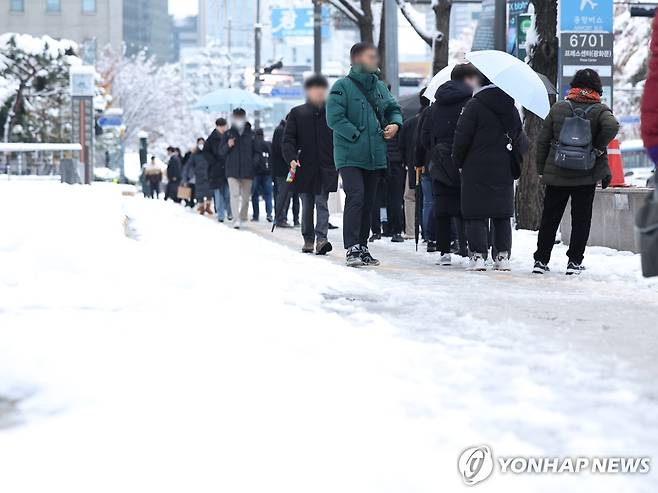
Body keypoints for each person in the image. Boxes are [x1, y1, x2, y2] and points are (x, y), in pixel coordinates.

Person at [533, 69, 619, 275]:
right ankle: (574, 262)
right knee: (581, 219)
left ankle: (541, 261)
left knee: (550, 218)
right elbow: (612, 126)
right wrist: (597, 147)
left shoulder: (559, 107)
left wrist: (540, 169)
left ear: (575, 85)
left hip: (557, 171)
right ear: (596, 88)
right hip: (585, 173)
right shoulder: (599, 110)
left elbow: (542, 140)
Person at [326, 42, 403, 267]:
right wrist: (356, 136)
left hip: (375, 155)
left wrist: (395, 124)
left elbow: (393, 109)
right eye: (371, 57)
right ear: (358, 59)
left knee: (369, 202)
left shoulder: (379, 86)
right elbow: (334, 118)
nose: (376, 60)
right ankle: (352, 248)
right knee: (356, 197)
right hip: (349, 155)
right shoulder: (342, 86)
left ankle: (363, 246)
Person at [452, 74, 528, 272]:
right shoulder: (511, 108)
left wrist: (458, 161)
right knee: (501, 213)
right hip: (503, 167)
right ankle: (502, 256)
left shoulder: (473, 106)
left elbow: (462, 138)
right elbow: (520, 138)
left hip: (475, 167)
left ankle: (478, 256)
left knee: (475, 212)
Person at [421, 63, 480, 265]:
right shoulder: (472, 104)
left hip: (440, 162)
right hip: (467, 161)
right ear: (466, 80)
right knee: (468, 207)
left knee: (442, 207)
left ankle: (444, 253)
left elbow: (424, 137)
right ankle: (470, 250)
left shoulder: (434, 106)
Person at [283, 74, 338, 255]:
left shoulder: (332, 112)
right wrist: (291, 157)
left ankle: (322, 239)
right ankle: (308, 238)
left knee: (322, 203)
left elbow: (339, 138)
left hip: (325, 166)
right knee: (307, 206)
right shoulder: (297, 113)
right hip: (304, 167)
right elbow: (288, 139)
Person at [220, 108, 258, 229]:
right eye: (236, 117)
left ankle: (242, 217)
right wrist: (228, 145)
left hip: (248, 171)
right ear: (233, 118)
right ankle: (236, 219)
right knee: (234, 195)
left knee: (246, 197)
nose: (239, 120)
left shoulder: (251, 134)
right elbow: (220, 152)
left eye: (241, 117)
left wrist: (254, 164)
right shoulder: (228, 134)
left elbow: (257, 152)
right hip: (232, 170)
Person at [399, 89, 429, 240]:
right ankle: (427, 231)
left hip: (412, 165)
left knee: (410, 197)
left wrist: (406, 162)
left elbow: (401, 145)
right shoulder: (433, 118)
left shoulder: (409, 123)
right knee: (428, 198)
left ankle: (410, 230)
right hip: (431, 165)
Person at [206, 118, 233, 223]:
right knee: (218, 194)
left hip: (227, 169)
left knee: (228, 193)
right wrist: (213, 162)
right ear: (218, 126)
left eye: (225, 126)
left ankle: (229, 212)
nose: (224, 128)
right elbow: (207, 153)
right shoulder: (211, 139)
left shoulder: (228, 137)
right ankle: (221, 215)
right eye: (223, 126)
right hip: (216, 170)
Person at [184, 137, 213, 215]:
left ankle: (208, 207)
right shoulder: (194, 154)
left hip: (208, 175)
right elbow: (189, 165)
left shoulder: (208, 152)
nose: (201, 145)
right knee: (199, 193)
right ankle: (201, 207)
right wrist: (189, 174)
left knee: (209, 192)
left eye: (202, 143)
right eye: (199, 143)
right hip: (198, 176)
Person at [251, 128, 274, 222]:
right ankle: (269, 214)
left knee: (254, 195)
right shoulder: (268, 144)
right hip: (267, 173)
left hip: (256, 173)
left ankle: (256, 215)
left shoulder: (253, 144)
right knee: (268, 194)